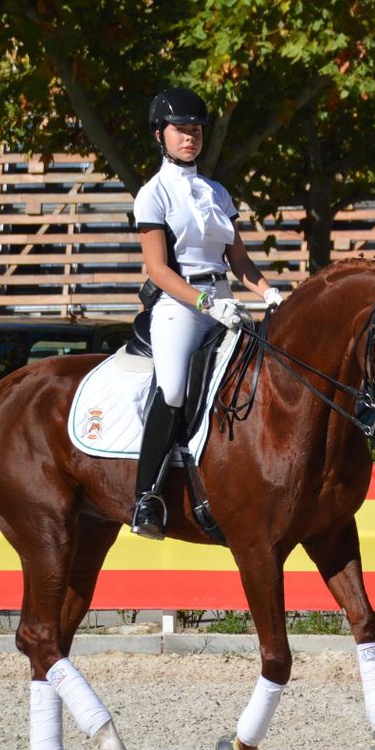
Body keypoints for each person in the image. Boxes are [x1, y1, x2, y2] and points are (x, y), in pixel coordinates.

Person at [130, 86, 281, 540]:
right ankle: (147, 498)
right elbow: (157, 269)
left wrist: (270, 293)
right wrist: (204, 303)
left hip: (226, 303)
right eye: (181, 130)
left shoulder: (216, 192)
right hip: (182, 306)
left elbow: (239, 260)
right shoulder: (152, 194)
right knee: (173, 387)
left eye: (195, 130)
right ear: (161, 134)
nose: (190, 138)